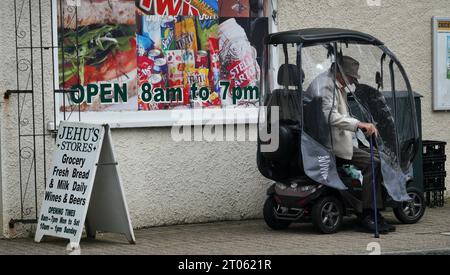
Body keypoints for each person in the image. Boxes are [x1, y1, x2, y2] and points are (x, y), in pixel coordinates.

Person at [305, 55, 395, 234]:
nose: (353, 81)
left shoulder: (331, 82)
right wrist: (359, 125)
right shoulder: (326, 85)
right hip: (331, 144)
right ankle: (368, 214)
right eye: (352, 77)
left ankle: (374, 207)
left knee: (381, 157)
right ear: (341, 74)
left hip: (336, 139)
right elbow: (329, 116)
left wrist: (359, 123)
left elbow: (339, 113)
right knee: (373, 163)